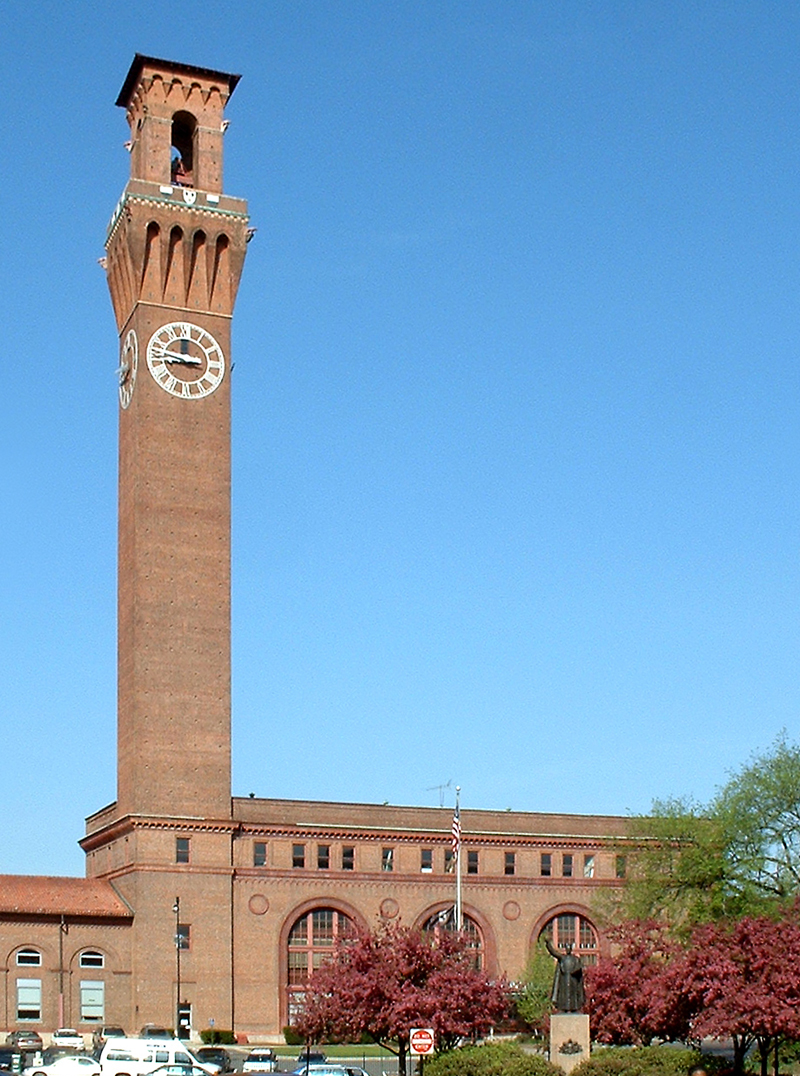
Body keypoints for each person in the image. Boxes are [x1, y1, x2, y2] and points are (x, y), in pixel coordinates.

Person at [545, 936, 585, 1012]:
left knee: (573, 997)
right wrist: (548, 944)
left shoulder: (576, 959)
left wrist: (575, 971)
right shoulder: (562, 958)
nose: (568, 950)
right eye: (567, 948)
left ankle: (573, 1009)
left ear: (571, 949)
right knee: (564, 996)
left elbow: (580, 968)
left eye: (569, 948)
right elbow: (553, 952)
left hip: (573, 981)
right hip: (564, 980)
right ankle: (565, 1009)